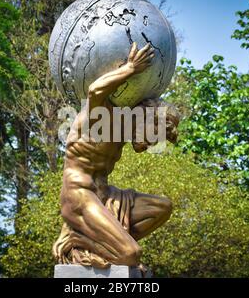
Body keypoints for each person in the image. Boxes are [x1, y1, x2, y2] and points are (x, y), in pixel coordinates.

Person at [53, 42, 180, 270]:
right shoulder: (99, 115)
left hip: (106, 195)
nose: (149, 144)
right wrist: (131, 68)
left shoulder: (124, 127)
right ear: (145, 118)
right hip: (79, 196)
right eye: (154, 134)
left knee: (163, 208)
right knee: (132, 254)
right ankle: (79, 240)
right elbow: (95, 90)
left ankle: (114, 247)